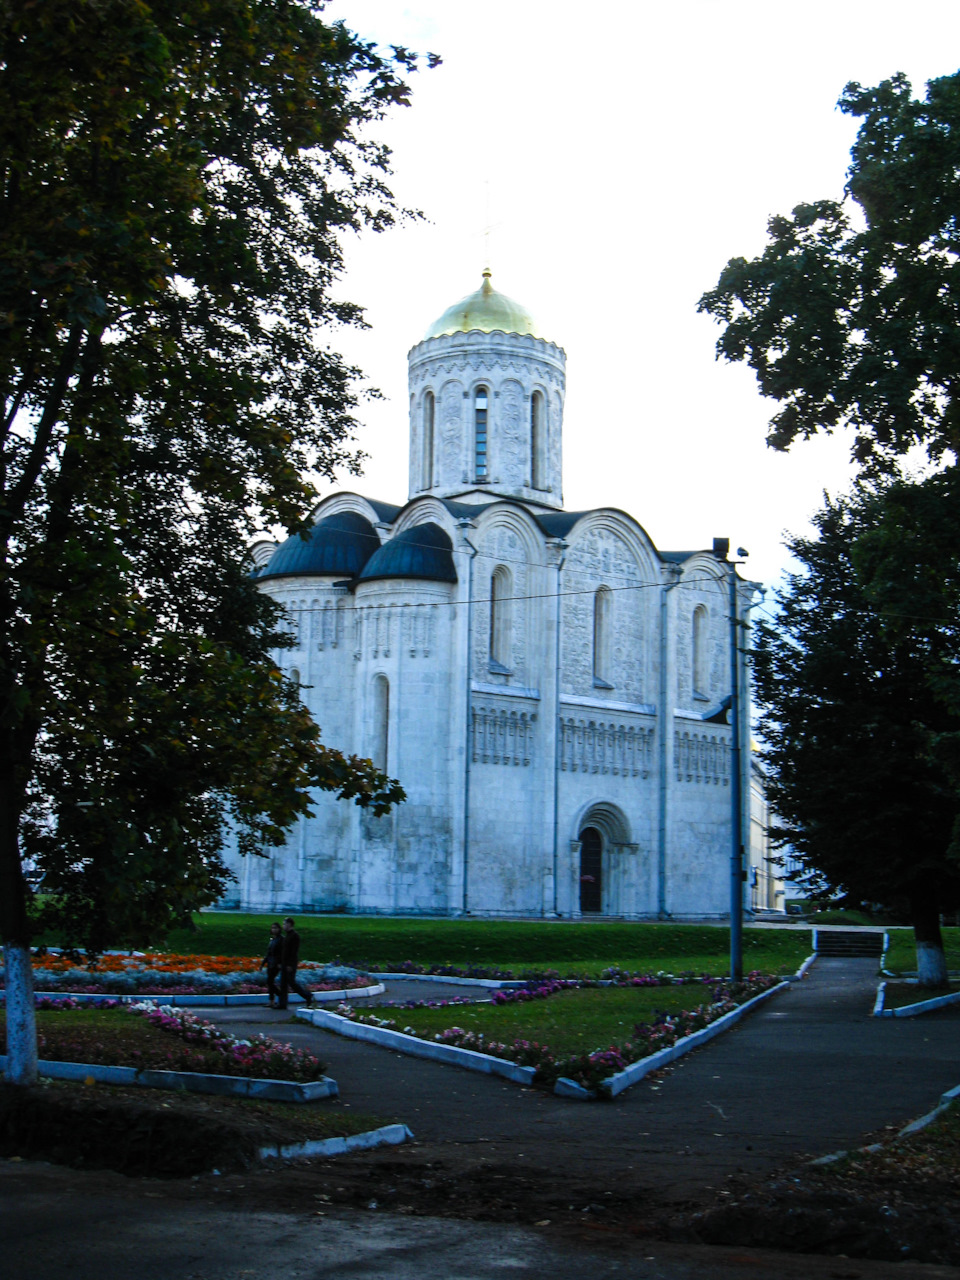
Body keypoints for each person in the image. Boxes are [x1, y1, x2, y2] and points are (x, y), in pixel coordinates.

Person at [278, 916, 314, 1010]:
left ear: (289, 924)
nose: (283, 926)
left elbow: (293, 952)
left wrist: (290, 964)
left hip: (290, 963)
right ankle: (282, 1004)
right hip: (285, 963)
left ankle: (307, 995)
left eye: (284, 924)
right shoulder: (287, 936)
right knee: (283, 984)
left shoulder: (294, 936)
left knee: (291, 983)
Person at [260, 921, 283, 1008]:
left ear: (279, 929)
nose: (274, 930)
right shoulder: (272, 940)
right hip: (270, 963)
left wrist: (280, 963)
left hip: (276, 964)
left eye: (275, 928)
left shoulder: (281, 940)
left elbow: (282, 953)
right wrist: (263, 963)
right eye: (272, 928)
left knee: (270, 981)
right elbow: (268, 953)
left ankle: (280, 995)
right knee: (270, 982)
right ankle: (271, 1001)